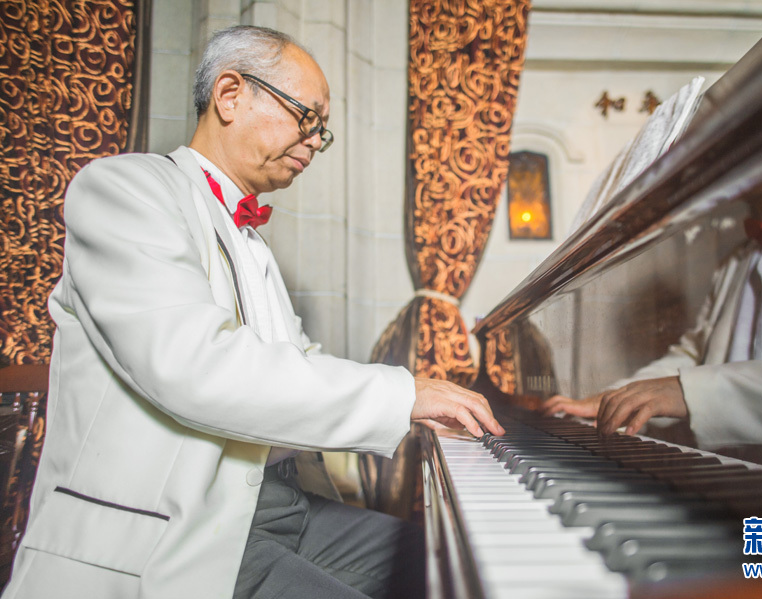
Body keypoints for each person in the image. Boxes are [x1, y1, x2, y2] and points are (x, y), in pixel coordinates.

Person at [2, 26, 503, 599]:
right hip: (178, 528)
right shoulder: (124, 189)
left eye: (322, 129)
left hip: (282, 507)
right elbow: (194, 367)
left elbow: (295, 358)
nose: (315, 141)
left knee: (462, 566)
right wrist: (399, 393)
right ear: (231, 95)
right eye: (305, 117)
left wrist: (412, 409)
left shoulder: (251, 241)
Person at [544, 154, 762, 500]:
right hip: (737, 487)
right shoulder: (738, 256)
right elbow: (693, 355)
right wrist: (618, 396)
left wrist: (690, 391)